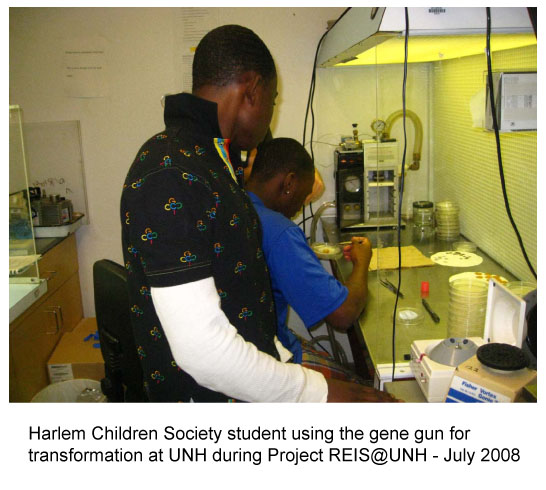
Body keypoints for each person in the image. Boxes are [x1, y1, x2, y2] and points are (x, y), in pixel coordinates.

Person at [121, 25, 396, 403]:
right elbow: (204, 352)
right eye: (273, 99)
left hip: (250, 384)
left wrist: (284, 360)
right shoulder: (172, 173)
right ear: (251, 90)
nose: (272, 112)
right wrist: (317, 392)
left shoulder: (212, 161)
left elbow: (241, 297)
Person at [245, 137, 373, 378]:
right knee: (358, 383)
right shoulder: (280, 232)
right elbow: (344, 314)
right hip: (271, 361)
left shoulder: (236, 203)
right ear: (289, 183)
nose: (300, 208)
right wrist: (362, 262)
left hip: (249, 351)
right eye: (303, 197)